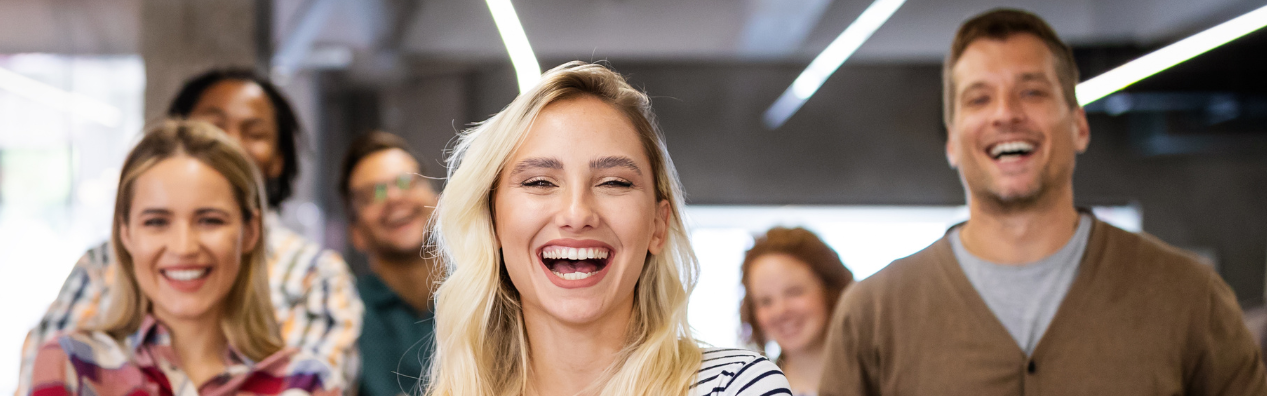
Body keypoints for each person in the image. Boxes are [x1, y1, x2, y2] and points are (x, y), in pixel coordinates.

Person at [818, 9, 1267, 395]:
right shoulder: (873, 315)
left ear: (1079, 126)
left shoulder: (1189, 296)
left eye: (1032, 92)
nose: (1005, 113)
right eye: (979, 98)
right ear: (952, 142)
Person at [424, 61, 790, 396]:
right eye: (539, 182)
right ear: (492, 222)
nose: (577, 213)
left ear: (658, 225)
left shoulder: (737, 387)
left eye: (614, 182)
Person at [19, 69, 362, 393]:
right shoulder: (72, 363)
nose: (183, 247)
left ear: (250, 231)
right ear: (125, 233)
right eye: (156, 222)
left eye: (210, 220)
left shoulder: (305, 377)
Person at [337, 132, 442, 396]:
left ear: (438, 200)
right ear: (356, 234)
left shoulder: (492, 290)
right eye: (375, 192)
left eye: (406, 181)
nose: (394, 197)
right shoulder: (344, 314)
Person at [740, 227, 852, 396]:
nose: (780, 311)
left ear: (830, 290)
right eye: (765, 301)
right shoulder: (747, 389)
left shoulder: (876, 380)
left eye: (794, 292)